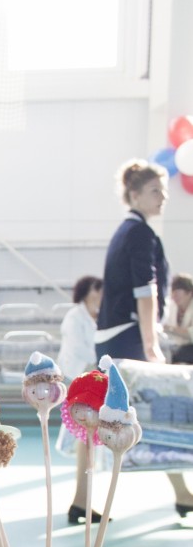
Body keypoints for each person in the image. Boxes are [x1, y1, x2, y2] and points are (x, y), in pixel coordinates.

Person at [94, 159, 193, 518]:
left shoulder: (127, 230)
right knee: (144, 415)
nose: (163, 197)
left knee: (110, 417)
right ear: (134, 193)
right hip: (129, 338)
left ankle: (182, 492)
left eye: (165, 190)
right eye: (155, 190)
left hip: (114, 336)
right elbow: (144, 291)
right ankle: (180, 491)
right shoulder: (140, 233)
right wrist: (151, 345)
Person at [55, 275, 104, 524]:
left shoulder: (94, 317)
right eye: (97, 289)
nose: (100, 294)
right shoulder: (75, 317)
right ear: (87, 291)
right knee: (85, 441)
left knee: (87, 442)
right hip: (77, 382)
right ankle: (80, 502)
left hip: (90, 383)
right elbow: (80, 349)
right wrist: (106, 356)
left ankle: (81, 501)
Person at [165, 273, 193, 363]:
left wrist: (168, 328)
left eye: (177, 293)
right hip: (177, 347)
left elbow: (191, 333)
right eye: (172, 293)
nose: (174, 297)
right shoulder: (172, 307)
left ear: (189, 293)